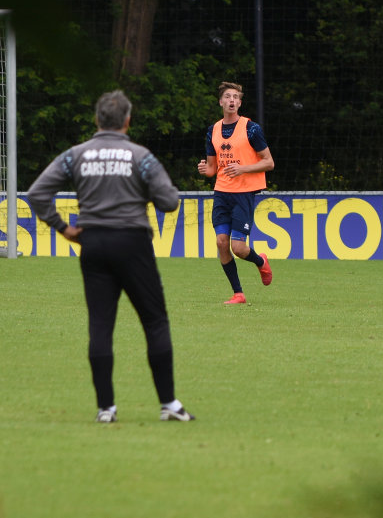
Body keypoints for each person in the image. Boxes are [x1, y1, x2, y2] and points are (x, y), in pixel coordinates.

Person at [27, 90, 195, 422]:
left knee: (101, 325)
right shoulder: (141, 157)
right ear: (128, 121)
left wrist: (63, 228)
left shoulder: (75, 155)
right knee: (154, 320)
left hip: (93, 242)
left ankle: (106, 409)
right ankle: (169, 405)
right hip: (132, 242)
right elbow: (169, 202)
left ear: (96, 120)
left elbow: (36, 193)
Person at [198, 82, 275, 304]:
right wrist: (205, 170)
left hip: (243, 194)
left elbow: (269, 162)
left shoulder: (251, 129)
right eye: (228, 97)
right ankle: (238, 293)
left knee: (238, 248)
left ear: (240, 103)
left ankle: (261, 262)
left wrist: (242, 168)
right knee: (221, 242)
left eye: (236, 97)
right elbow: (213, 169)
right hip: (222, 192)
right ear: (221, 102)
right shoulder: (212, 130)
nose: (232, 100)